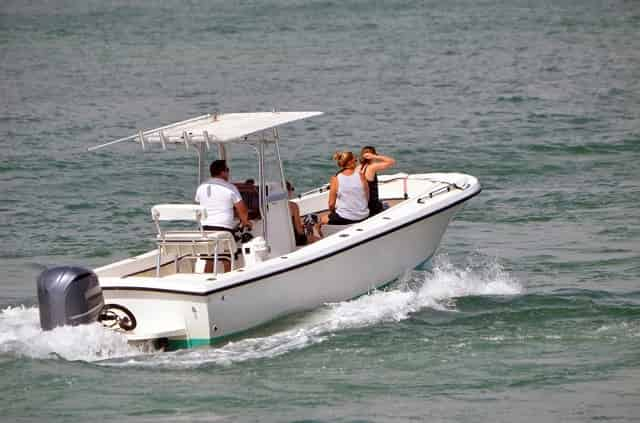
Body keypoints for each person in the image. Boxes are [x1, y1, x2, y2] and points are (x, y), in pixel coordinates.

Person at [195, 160, 252, 272]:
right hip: (223, 229)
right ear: (223, 172)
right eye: (227, 170)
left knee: (210, 259)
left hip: (205, 230)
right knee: (227, 259)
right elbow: (243, 210)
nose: (228, 173)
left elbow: (200, 204)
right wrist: (246, 222)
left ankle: (207, 278)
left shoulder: (201, 187)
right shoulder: (230, 188)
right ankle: (229, 279)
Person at [320, 151, 369, 225]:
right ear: (350, 162)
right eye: (355, 160)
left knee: (320, 220)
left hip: (345, 218)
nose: (356, 162)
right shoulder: (361, 176)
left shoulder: (335, 179)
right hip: (363, 215)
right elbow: (367, 197)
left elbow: (331, 204)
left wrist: (333, 213)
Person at [357, 146, 395, 216]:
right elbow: (392, 161)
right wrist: (375, 157)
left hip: (362, 205)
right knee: (388, 206)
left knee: (383, 203)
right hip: (373, 206)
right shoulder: (372, 167)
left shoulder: (358, 168)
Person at [287, 181, 319, 246]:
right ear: (287, 191)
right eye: (292, 189)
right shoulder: (293, 206)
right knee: (318, 240)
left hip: (281, 240)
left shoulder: (269, 209)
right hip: (295, 240)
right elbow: (299, 231)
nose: (292, 192)